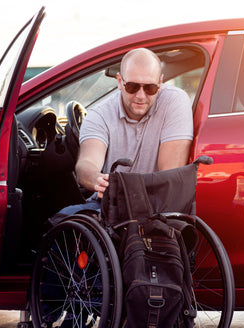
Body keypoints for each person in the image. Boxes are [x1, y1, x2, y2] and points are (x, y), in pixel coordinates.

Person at [59, 47, 194, 215]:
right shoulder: (99, 114)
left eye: (150, 88)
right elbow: (87, 164)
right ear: (119, 82)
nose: (140, 96)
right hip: (111, 204)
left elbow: (169, 175)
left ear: (160, 83)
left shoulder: (175, 101)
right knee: (61, 219)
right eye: (132, 86)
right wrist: (96, 179)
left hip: (158, 205)